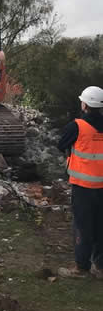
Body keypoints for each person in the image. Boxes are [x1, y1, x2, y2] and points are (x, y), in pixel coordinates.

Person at [57, 86, 103, 278]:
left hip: (83, 187)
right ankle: (100, 267)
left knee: (82, 226)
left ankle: (81, 268)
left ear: (84, 104)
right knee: (100, 226)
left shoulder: (77, 126)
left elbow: (61, 144)